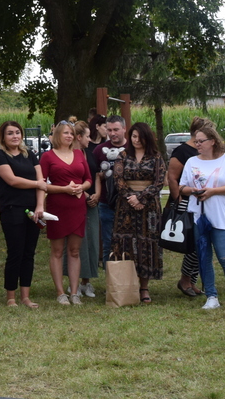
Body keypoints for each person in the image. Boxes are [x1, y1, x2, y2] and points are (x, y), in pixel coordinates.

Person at [179, 125, 225, 312]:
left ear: (213, 141)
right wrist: (194, 191)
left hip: (221, 217)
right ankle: (211, 296)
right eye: (196, 141)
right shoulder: (191, 162)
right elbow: (182, 187)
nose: (197, 144)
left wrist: (213, 191)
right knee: (204, 258)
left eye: (201, 141)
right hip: (199, 216)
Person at [0, 120, 46, 308]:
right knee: (15, 253)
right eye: (10, 133)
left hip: (32, 211)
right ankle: (11, 297)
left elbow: (42, 181)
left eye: (17, 132)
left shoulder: (30, 154)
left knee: (29, 253)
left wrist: (40, 206)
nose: (15, 136)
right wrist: (38, 184)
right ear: (3, 137)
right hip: (12, 210)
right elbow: (12, 181)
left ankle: (26, 297)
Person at [108, 122, 164, 304]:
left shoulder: (156, 157)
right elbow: (118, 179)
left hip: (149, 208)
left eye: (140, 137)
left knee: (146, 244)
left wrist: (142, 198)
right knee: (125, 244)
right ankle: (124, 284)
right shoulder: (123, 156)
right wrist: (131, 197)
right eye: (133, 136)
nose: (136, 140)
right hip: (126, 206)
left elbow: (159, 181)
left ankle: (144, 287)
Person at [42, 120, 92, 305]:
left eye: (71, 133)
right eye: (65, 133)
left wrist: (82, 187)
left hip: (77, 207)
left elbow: (88, 178)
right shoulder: (48, 157)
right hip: (57, 206)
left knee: (74, 250)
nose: (69, 136)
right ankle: (60, 292)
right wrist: (64, 189)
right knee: (57, 251)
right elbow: (42, 184)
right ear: (57, 135)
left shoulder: (79, 154)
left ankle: (75, 292)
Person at [166, 116, 207, 297]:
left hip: (203, 204)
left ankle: (192, 280)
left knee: (200, 244)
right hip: (185, 203)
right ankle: (185, 279)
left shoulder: (204, 151)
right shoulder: (182, 152)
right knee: (192, 243)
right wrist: (179, 200)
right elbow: (172, 178)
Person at [68, 120, 100, 299]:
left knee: (92, 242)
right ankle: (73, 282)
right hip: (76, 202)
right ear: (78, 137)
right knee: (77, 244)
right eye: (87, 136)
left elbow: (95, 176)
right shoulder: (69, 155)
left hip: (92, 205)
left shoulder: (91, 153)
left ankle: (86, 282)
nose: (90, 139)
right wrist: (86, 195)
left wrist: (97, 195)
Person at [92, 115, 127, 263]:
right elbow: (94, 176)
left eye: (116, 130)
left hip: (128, 203)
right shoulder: (99, 150)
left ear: (124, 129)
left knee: (127, 243)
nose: (112, 133)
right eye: (109, 130)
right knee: (108, 243)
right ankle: (111, 282)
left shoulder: (132, 148)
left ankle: (127, 282)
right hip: (106, 203)